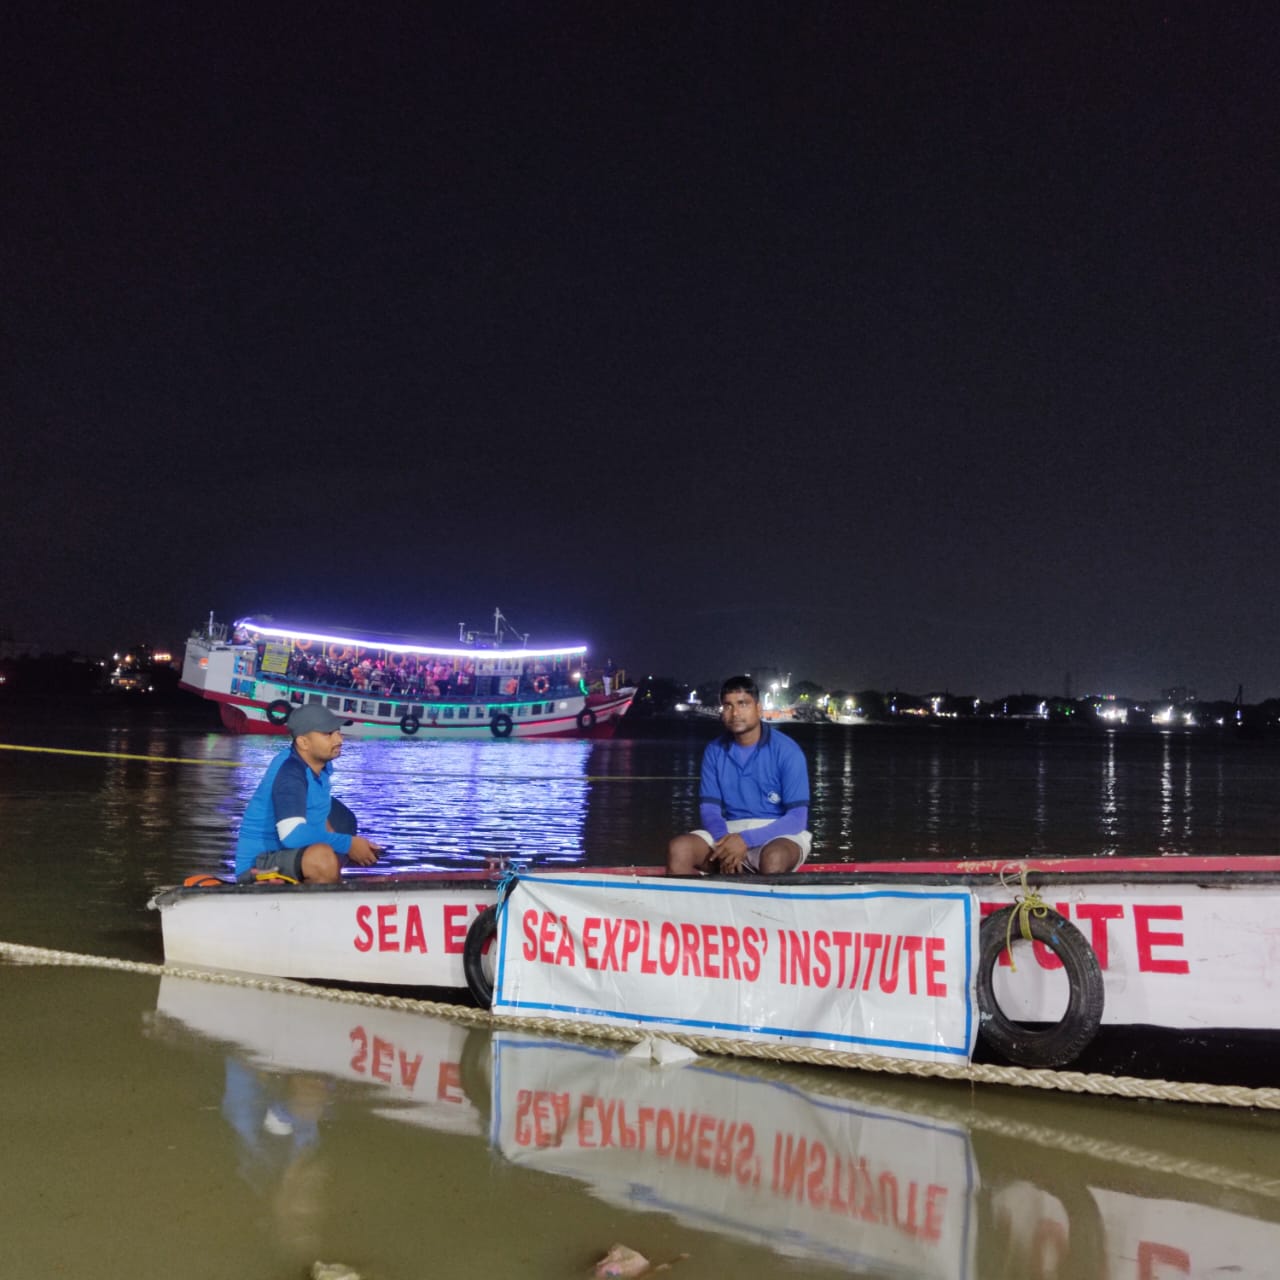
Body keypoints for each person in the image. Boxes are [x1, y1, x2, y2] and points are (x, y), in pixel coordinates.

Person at [667, 675, 812, 876]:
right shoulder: (715, 750)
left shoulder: (787, 751)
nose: (735, 713)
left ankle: (766, 897)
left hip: (778, 833)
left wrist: (745, 840)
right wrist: (726, 843)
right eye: (728, 706)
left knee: (774, 858)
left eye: (743, 704)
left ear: (758, 708)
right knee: (679, 849)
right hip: (728, 831)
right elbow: (709, 809)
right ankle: (698, 897)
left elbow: (797, 819)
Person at [234, 703, 382, 884]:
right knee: (323, 858)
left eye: (338, 732)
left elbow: (321, 816)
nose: (339, 739)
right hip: (259, 865)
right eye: (328, 734)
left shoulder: (321, 765)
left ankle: (331, 884)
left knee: (345, 821)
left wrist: (355, 849)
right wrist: (348, 844)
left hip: (288, 855)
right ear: (303, 742)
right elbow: (292, 836)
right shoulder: (289, 772)